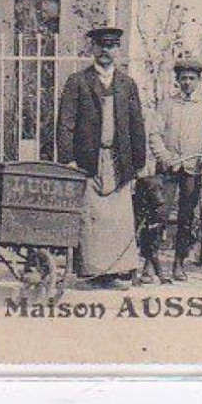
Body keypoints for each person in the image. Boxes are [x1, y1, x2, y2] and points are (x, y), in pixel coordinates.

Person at [57, 26, 147, 289]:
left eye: (111, 46)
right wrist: (68, 159)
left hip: (119, 160)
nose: (106, 51)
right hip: (89, 161)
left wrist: (138, 163)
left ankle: (116, 271)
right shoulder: (78, 82)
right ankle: (92, 271)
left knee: (118, 218)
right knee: (93, 217)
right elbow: (66, 123)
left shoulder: (126, 84)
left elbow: (136, 125)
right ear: (93, 49)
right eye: (101, 46)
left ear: (118, 50)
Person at [148, 56, 202, 282]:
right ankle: (150, 262)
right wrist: (165, 157)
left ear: (198, 81)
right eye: (183, 79)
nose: (187, 82)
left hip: (192, 168)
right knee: (158, 213)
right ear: (177, 81)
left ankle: (179, 263)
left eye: (191, 78)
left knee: (187, 217)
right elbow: (155, 135)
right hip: (168, 168)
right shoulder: (167, 105)